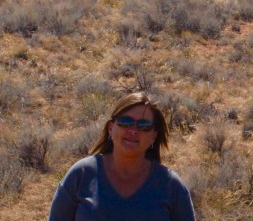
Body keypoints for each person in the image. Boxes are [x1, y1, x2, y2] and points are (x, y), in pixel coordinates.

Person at [49, 92, 195, 221]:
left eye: (143, 126)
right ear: (111, 128)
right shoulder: (81, 174)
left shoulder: (171, 186)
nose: (133, 130)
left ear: (153, 136)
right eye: (125, 122)